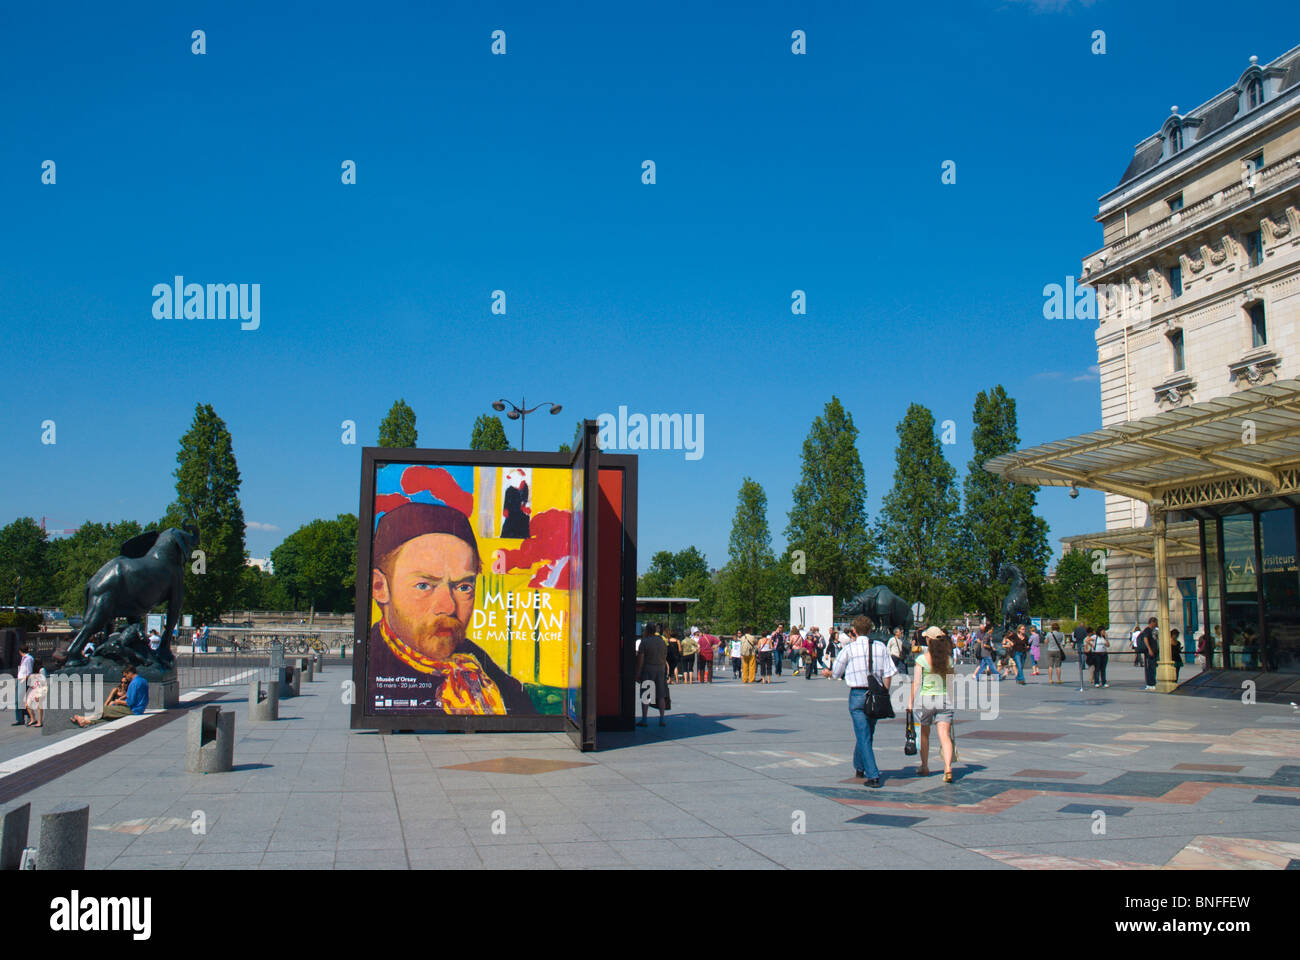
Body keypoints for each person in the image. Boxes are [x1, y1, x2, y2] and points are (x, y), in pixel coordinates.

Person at [367, 501, 535, 715]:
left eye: (463, 587)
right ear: (380, 587)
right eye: (424, 585)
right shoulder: (373, 669)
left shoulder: (480, 666)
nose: (448, 607)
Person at [824, 616, 896, 788]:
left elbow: (836, 673)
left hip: (857, 694)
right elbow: (888, 673)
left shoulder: (849, 649)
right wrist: (884, 692)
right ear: (870, 630)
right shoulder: (881, 647)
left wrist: (828, 673)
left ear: (854, 631)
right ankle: (859, 766)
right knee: (867, 733)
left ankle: (873, 775)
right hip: (876, 694)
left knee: (863, 734)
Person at [909, 625, 957, 783]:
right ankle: (948, 768)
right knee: (945, 735)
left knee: (924, 734)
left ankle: (924, 766)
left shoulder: (922, 659)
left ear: (928, 640)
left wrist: (910, 703)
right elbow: (950, 683)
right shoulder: (949, 659)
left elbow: (916, 683)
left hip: (926, 700)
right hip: (944, 699)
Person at [73, 665, 148, 726]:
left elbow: (130, 702)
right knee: (109, 715)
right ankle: (87, 722)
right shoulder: (143, 681)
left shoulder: (133, 683)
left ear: (130, 673)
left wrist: (118, 702)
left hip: (133, 710)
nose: (126, 678)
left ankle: (85, 718)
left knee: (105, 709)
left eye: (126, 675)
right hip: (140, 709)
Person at [635, 624, 668, 727]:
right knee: (661, 695)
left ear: (646, 631)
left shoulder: (644, 642)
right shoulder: (662, 642)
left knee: (646, 695)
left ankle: (644, 719)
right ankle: (662, 718)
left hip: (648, 669)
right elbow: (665, 657)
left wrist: (638, 673)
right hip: (660, 669)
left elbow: (641, 659)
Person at [13, 645, 34, 726]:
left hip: (23, 680)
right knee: (19, 700)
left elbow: (29, 671)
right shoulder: (24, 658)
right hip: (20, 680)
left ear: (20, 651)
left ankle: (27, 717)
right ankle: (21, 718)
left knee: (19, 700)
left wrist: (23, 680)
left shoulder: (28, 659)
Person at [24, 660, 46, 727]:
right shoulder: (32, 670)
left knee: (39, 706)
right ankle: (33, 719)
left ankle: (40, 722)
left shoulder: (42, 669)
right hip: (33, 689)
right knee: (27, 705)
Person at [1139, 617, 1159, 690]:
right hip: (1150, 652)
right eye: (1156, 623)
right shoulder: (1147, 630)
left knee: (1153, 667)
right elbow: (1145, 639)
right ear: (1152, 622)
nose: (1156, 624)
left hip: (1154, 651)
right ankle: (1150, 683)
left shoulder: (1153, 630)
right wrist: (1149, 649)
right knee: (1150, 667)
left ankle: (1152, 682)